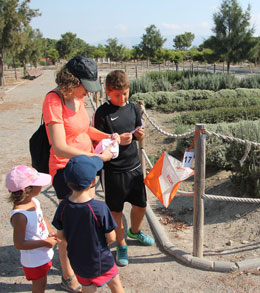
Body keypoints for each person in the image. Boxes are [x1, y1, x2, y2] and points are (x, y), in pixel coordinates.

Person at [42, 55, 119, 292]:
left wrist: (106, 137)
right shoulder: (53, 101)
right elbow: (59, 146)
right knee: (72, 224)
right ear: (71, 81)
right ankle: (68, 273)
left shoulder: (76, 98)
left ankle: (85, 262)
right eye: (85, 86)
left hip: (87, 167)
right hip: (68, 171)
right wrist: (96, 159)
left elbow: (84, 129)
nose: (87, 92)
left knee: (85, 221)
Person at [93, 70, 154, 267]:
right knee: (116, 212)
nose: (122, 98)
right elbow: (96, 141)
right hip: (112, 171)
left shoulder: (134, 108)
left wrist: (139, 136)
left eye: (126, 93)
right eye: (117, 95)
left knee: (141, 206)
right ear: (107, 91)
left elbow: (139, 132)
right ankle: (121, 245)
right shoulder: (102, 113)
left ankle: (134, 232)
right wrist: (118, 139)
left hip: (134, 167)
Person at [52, 155, 124, 293]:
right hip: (100, 259)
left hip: (77, 261)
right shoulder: (99, 208)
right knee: (116, 286)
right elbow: (111, 238)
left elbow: (61, 235)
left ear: (67, 181)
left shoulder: (63, 207)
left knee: (87, 288)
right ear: (93, 181)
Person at [6, 165, 59, 293]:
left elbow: (41, 217)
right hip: (34, 259)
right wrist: (46, 243)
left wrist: (50, 231)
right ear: (27, 190)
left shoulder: (33, 201)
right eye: (38, 184)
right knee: (39, 286)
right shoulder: (20, 216)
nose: (41, 186)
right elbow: (19, 244)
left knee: (43, 282)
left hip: (42, 253)